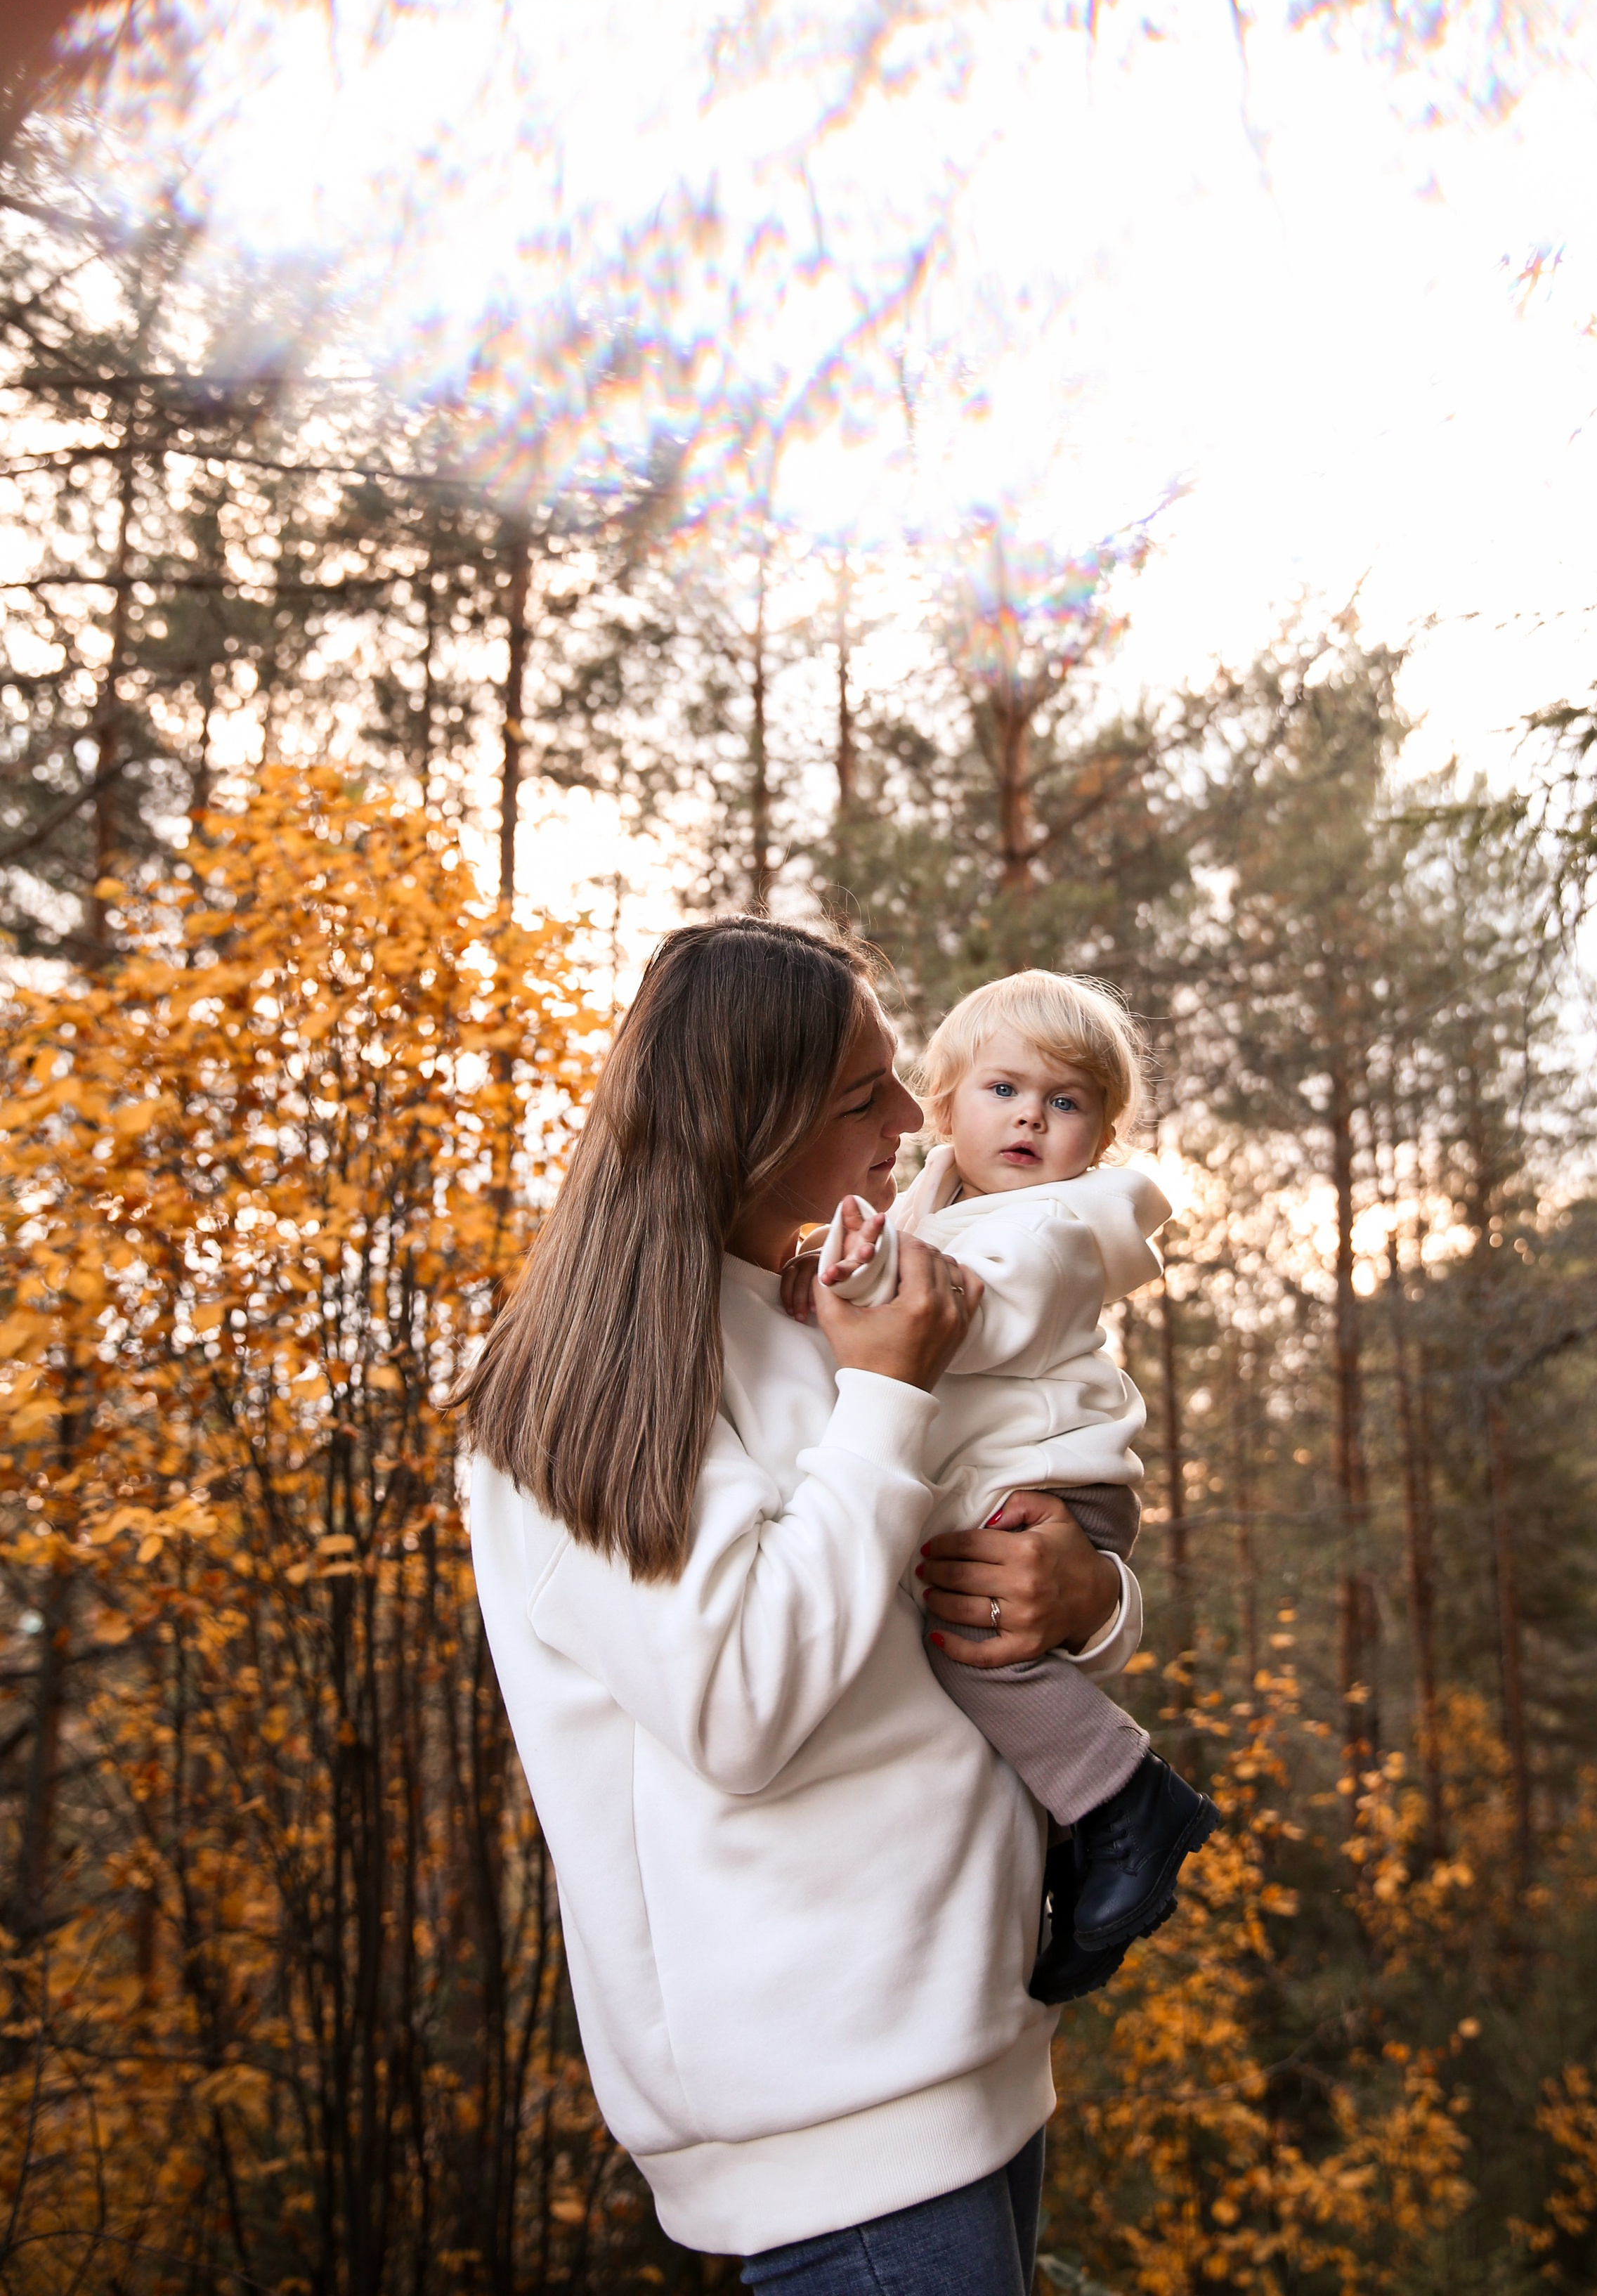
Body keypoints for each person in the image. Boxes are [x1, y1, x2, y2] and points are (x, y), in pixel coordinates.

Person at [461, 918, 1142, 2292]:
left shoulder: (823, 1298)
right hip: (827, 2119)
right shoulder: (579, 1387)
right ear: (749, 1119)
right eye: (861, 1095)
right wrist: (887, 1393)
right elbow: (738, 1709)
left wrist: (1091, 1599)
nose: (912, 1116)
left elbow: (957, 1593)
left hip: (982, 2039)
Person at [790, 971, 1218, 2003]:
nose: (1033, 1115)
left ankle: (1126, 1803)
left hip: (1050, 1483)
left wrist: (852, 1287)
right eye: (1005, 1090)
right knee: (966, 1631)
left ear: (1097, 1142)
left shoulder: (1052, 1229)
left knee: (970, 1637)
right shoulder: (943, 1200)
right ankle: (1081, 1834)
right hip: (1013, 1469)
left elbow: (968, 1321)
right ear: (944, 1109)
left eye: (1066, 1103)